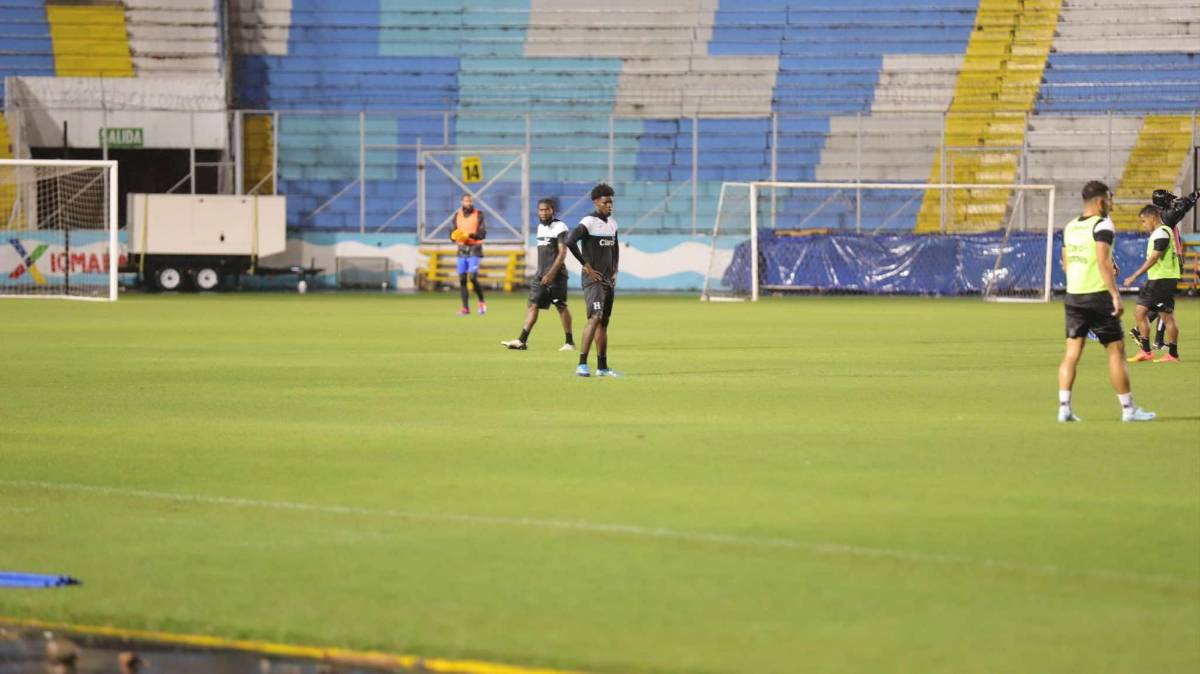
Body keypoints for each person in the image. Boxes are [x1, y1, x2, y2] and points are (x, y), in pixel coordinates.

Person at [1057, 180, 1154, 423]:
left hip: (1074, 296)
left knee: (1072, 353)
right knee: (1116, 352)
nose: (1111, 204)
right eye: (1109, 199)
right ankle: (1128, 410)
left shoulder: (1069, 227)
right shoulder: (1103, 225)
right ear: (1100, 202)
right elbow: (1102, 262)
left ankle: (1064, 407)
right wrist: (1114, 294)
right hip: (1098, 297)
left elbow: (1068, 264)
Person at [500, 198, 576, 351]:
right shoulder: (540, 227)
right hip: (540, 275)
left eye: (546, 209)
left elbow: (562, 253)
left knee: (560, 306)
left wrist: (551, 274)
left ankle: (569, 342)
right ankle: (522, 341)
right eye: (541, 210)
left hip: (556, 275)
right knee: (533, 306)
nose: (543, 212)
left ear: (552, 210)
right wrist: (542, 274)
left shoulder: (560, 226)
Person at [1129, 188, 1198, 349]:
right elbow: (1183, 206)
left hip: (1164, 269)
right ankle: (1147, 336)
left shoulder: (1161, 216)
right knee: (1163, 308)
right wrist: (1195, 195)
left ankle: (1154, 340)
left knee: (1160, 307)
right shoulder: (1166, 216)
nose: (1172, 201)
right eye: (1169, 199)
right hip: (1166, 269)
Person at [566, 183, 619, 377]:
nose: (609, 205)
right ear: (596, 202)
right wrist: (586, 266)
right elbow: (570, 241)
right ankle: (581, 364)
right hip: (593, 280)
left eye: (611, 202)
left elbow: (615, 248)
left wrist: (614, 270)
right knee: (594, 318)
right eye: (606, 202)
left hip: (607, 280)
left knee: (604, 322)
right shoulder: (588, 221)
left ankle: (602, 367)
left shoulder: (613, 223)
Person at [1123, 204, 1182, 362]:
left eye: (1144, 221)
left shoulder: (1162, 233)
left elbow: (1154, 258)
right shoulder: (1158, 233)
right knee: (1140, 312)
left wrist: (1134, 276)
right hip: (1156, 280)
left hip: (1163, 280)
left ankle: (1173, 354)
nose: (1144, 224)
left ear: (1153, 217)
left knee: (1166, 317)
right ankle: (1146, 351)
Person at [451, 194, 487, 316]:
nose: (468, 203)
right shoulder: (457, 215)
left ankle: (481, 301)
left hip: (474, 249)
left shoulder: (479, 214)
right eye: (466, 201)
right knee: (462, 279)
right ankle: (465, 308)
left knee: (472, 277)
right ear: (462, 202)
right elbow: (452, 232)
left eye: (470, 201)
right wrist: (454, 236)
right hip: (461, 250)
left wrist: (470, 235)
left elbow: (482, 233)